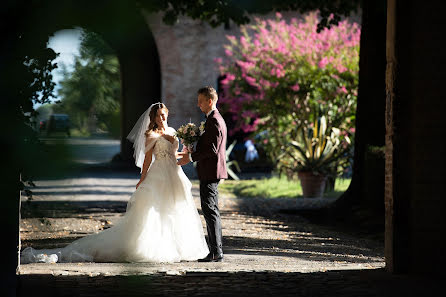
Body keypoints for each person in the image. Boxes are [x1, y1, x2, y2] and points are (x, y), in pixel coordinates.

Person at [21, 103, 209, 263]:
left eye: (164, 115)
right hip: (159, 173)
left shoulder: (173, 131)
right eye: (158, 115)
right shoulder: (151, 134)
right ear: (153, 117)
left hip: (174, 173)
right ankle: (152, 246)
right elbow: (148, 158)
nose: (162, 118)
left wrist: (187, 153)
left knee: (174, 209)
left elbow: (173, 153)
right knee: (154, 210)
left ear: (167, 114)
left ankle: (177, 246)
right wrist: (142, 179)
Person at [177, 86, 228, 262]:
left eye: (200, 101)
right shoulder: (213, 119)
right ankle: (216, 251)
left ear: (210, 101)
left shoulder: (214, 120)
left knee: (210, 211)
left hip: (211, 171)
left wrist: (190, 157)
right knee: (210, 210)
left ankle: (216, 252)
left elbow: (212, 150)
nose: (198, 104)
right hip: (210, 170)